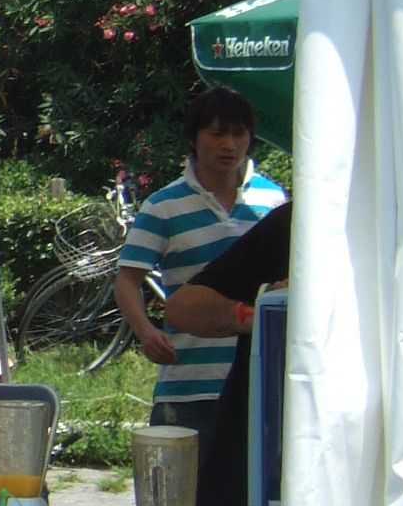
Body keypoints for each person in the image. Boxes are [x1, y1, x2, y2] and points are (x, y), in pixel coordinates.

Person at [111, 86, 287, 474]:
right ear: (194, 138)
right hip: (188, 382)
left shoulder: (273, 201)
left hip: (259, 379)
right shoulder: (163, 205)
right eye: (217, 133)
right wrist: (145, 332)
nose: (229, 145)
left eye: (239, 134)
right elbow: (127, 280)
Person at [161, 202, 292, 506]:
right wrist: (260, 313)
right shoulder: (295, 222)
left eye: (238, 140)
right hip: (255, 457)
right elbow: (182, 307)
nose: (229, 145)